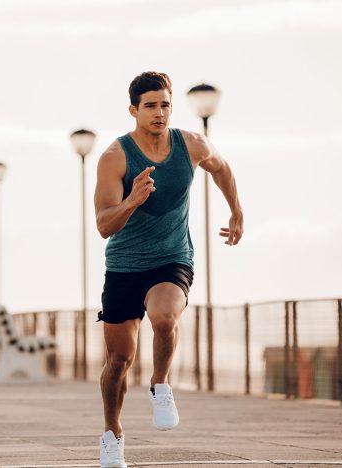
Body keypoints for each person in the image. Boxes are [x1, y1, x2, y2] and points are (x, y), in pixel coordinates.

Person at [94, 71, 243, 468]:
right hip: (124, 265)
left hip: (172, 258)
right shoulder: (116, 156)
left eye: (164, 105)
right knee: (119, 361)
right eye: (150, 106)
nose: (159, 113)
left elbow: (222, 168)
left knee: (163, 317)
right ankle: (112, 434)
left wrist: (237, 210)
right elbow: (104, 225)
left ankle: (160, 384)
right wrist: (132, 199)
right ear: (133, 110)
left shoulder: (190, 144)